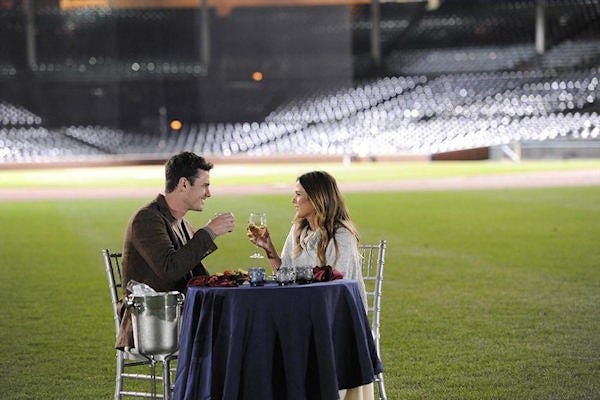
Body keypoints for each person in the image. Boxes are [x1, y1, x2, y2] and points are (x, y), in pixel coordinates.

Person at [247, 170, 372, 399]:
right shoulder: (299, 229)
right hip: (304, 315)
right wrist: (269, 249)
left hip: (337, 320)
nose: (293, 200)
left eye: (298, 195)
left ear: (316, 198)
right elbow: (285, 275)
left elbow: (333, 287)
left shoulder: (341, 235)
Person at [116, 151, 235, 350]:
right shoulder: (147, 219)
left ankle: (211, 381)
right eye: (204, 185)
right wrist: (208, 232)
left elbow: (197, 275)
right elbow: (169, 269)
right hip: (151, 322)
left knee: (239, 322)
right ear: (184, 184)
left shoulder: (182, 223)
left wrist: (230, 282)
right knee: (233, 331)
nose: (209, 193)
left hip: (176, 314)